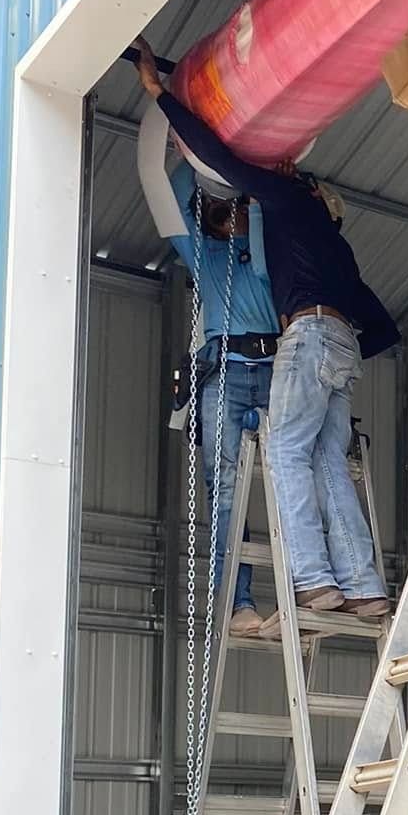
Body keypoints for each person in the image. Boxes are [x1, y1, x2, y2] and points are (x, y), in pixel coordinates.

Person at [134, 37, 398, 620]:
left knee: (286, 459)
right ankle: (288, 595)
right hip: (240, 367)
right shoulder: (214, 255)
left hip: (288, 356)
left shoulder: (274, 234)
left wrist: (171, 104)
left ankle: (313, 579)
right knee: (243, 484)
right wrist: (175, 122)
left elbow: (251, 202)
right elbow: (173, 188)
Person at [136, 104, 280, 636]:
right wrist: (185, 148)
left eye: (232, 208)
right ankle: (237, 602)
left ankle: (303, 588)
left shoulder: (262, 251)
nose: (229, 215)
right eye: (220, 210)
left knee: (289, 484)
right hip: (226, 374)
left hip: (271, 372)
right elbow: (169, 193)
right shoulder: (201, 255)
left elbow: (264, 207)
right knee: (225, 491)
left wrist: (249, 188)